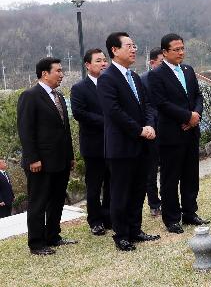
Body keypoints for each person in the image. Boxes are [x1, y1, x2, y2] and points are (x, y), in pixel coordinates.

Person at [97, 32, 160, 251]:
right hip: (122, 146)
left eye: (135, 46)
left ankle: (135, 229)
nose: (134, 50)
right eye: (129, 46)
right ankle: (121, 234)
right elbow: (113, 112)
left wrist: (150, 125)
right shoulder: (107, 78)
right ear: (114, 50)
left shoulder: (134, 77)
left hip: (142, 144)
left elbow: (148, 105)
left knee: (138, 190)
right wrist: (139, 130)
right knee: (121, 192)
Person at [17, 57, 77, 255]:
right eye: (58, 71)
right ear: (45, 73)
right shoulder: (30, 96)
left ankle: (53, 235)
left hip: (60, 160)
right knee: (39, 202)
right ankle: (36, 243)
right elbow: (26, 131)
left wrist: (70, 156)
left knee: (57, 200)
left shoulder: (58, 96)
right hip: (40, 162)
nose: (62, 74)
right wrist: (33, 158)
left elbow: (65, 129)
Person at [148, 33, 206, 234]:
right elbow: (161, 103)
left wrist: (195, 115)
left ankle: (190, 212)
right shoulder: (157, 74)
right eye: (176, 49)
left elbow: (198, 95)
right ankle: (172, 218)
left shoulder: (188, 70)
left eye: (182, 48)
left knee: (191, 176)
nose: (181, 52)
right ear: (164, 52)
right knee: (170, 178)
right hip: (171, 134)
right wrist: (186, 116)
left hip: (191, 132)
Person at [71, 49, 110, 236]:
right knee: (94, 185)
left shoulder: (111, 84)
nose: (103, 64)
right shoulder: (79, 88)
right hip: (93, 145)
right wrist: (108, 121)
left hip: (114, 144)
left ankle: (109, 216)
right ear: (87, 65)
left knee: (112, 183)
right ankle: (95, 221)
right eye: (98, 61)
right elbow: (79, 113)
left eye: (104, 60)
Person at [140, 48, 163, 217]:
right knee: (151, 170)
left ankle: (169, 200)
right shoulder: (143, 80)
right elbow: (145, 107)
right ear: (152, 63)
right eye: (161, 63)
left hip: (170, 130)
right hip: (152, 130)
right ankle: (154, 204)